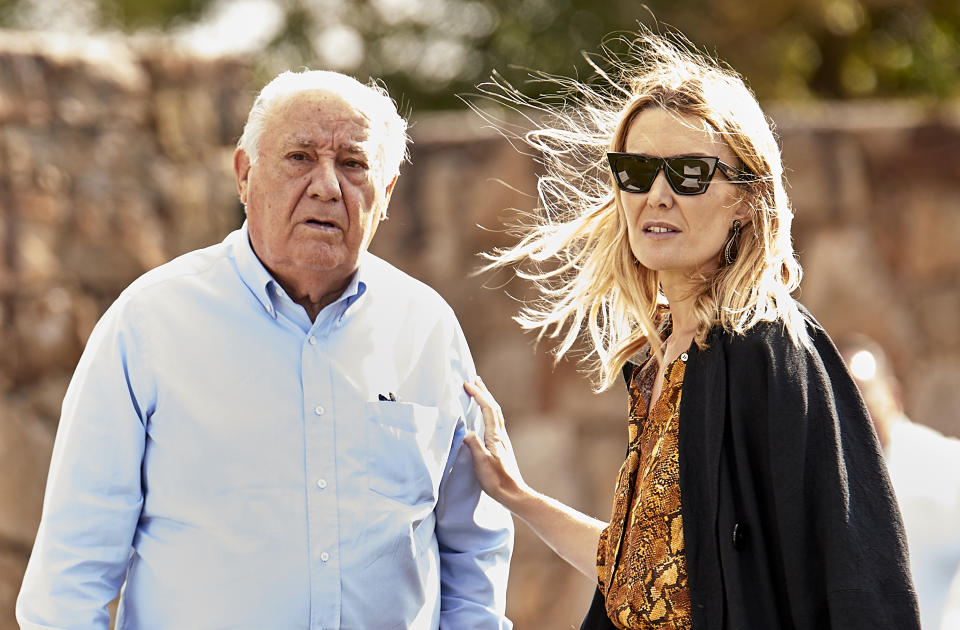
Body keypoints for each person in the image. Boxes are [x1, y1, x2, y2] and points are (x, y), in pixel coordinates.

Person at [17, 69, 514, 629]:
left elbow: (473, 551)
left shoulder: (428, 328)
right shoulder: (149, 323)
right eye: (300, 157)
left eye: (353, 164)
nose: (327, 186)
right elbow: (71, 576)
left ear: (388, 192)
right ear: (244, 174)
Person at [461, 30, 921, 630]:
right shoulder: (658, 359)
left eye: (691, 173)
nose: (657, 195)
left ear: (745, 200)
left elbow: (858, 575)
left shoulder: (770, 349)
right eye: (636, 170)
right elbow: (649, 581)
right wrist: (517, 496)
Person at [838, 334, 960, 630]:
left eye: (863, 396)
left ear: (893, 395)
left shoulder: (948, 466)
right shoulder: (828, 479)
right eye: (841, 401)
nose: (854, 412)